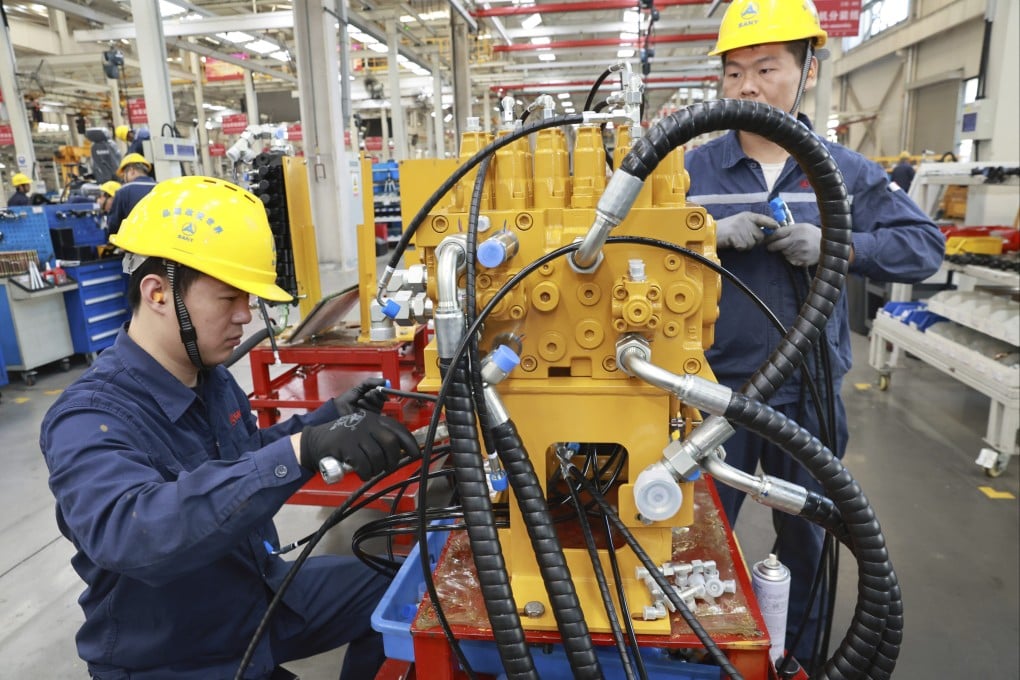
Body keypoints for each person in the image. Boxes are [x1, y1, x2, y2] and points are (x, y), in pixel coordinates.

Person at [40, 176, 418, 679]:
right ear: (156, 293)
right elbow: (133, 535)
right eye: (227, 298)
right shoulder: (88, 417)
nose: (245, 316)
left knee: (404, 590)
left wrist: (330, 420)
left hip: (254, 595)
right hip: (175, 652)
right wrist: (301, 451)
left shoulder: (210, 378)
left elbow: (245, 456)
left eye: (248, 298)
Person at [684, 0, 944, 669]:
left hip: (811, 392)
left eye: (766, 68)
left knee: (810, 544)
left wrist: (840, 245)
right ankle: (696, 658)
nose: (748, 87)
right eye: (735, 71)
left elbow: (923, 246)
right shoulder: (692, 171)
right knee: (694, 540)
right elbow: (636, 247)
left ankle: (795, 659)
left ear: (807, 69)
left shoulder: (846, 172)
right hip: (715, 390)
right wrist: (706, 235)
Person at [106, 153, 157, 235]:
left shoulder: (124, 191)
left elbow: (114, 225)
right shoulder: (161, 187)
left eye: (124, 175)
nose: (124, 179)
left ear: (132, 170)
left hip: (135, 243)